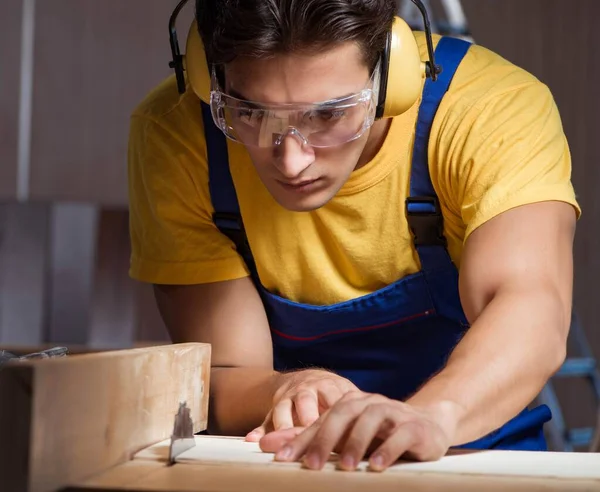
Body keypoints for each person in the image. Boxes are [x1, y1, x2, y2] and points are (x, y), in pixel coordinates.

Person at [127, 0, 580, 472]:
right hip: (290, 459)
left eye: (328, 115)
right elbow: (226, 371)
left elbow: (530, 307)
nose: (292, 162)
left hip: (472, 451)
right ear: (208, 79)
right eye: (252, 114)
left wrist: (431, 417)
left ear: (392, 78)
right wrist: (283, 390)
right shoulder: (178, 136)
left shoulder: (488, 109)